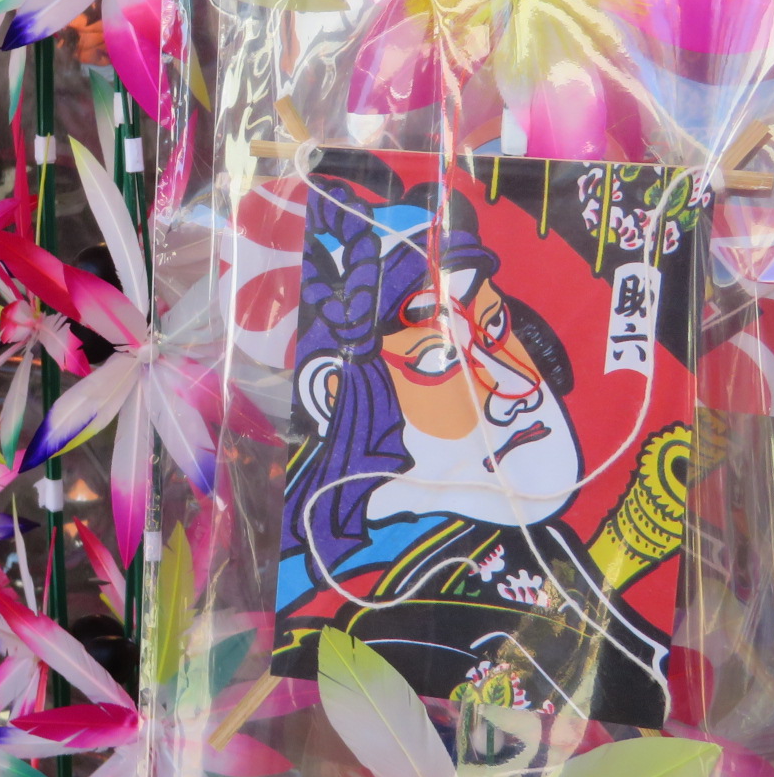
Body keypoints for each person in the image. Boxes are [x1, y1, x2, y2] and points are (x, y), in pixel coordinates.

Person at [275, 154, 688, 727]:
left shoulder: (519, 532)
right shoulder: (359, 594)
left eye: (496, 327)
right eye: (441, 360)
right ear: (334, 393)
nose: (517, 387)